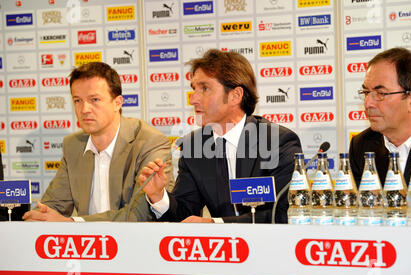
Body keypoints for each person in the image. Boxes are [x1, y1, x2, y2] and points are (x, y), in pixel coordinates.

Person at [139, 49, 302, 223]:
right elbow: (185, 214)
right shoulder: (195, 146)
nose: (193, 99)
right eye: (194, 89)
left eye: (205, 88)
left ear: (235, 96)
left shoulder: (277, 141)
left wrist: (215, 224)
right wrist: (158, 196)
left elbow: (283, 213)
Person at [23, 62, 174, 222]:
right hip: (87, 246)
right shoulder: (73, 145)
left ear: (118, 103)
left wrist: (72, 223)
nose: (84, 109)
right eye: (77, 101)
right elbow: (51, 206)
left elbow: (139, 214)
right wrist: (36, 218)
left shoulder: (149, 142)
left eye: (94, 99)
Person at [349, 47, 411, 226]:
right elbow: (357, 211)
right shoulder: (362, 145)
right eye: (366, 92)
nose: (368, 103)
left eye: (380, 93)